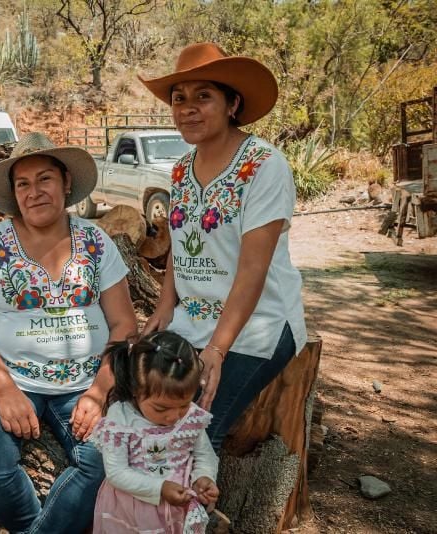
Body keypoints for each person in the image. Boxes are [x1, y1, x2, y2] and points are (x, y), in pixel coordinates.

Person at [0, 132, 138, 533]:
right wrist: (3, 390)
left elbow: (124, 323)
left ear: (66, 183)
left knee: (109, 460)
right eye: (23, 183)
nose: (34, 192)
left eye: (45, 179)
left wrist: (99, 391)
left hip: (84, 381)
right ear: (13, 193)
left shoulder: (95, 241)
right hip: (12, 376)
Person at [139, 42, 307, 452]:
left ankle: (195, 513)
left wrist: (217, 348)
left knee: (194, 428)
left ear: (233, 104)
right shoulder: (181, 169)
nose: (187, 108)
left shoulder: (264, 166)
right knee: (146, 407)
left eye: (203, 96)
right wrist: (165, 305)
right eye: (179, 98)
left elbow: (253, 268)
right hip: (192, 320)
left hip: (258, 325)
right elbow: (180, 244)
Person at [90, 330, 219, 533]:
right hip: (130, 512)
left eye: (184, 405)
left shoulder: (191, 417)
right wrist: (160, 488)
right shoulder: (121, 418)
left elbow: (205, 455)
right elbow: (116, 472)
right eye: (161, 408)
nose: (174, 416)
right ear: (135, 390)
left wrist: (203, 477)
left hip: (177, 511)